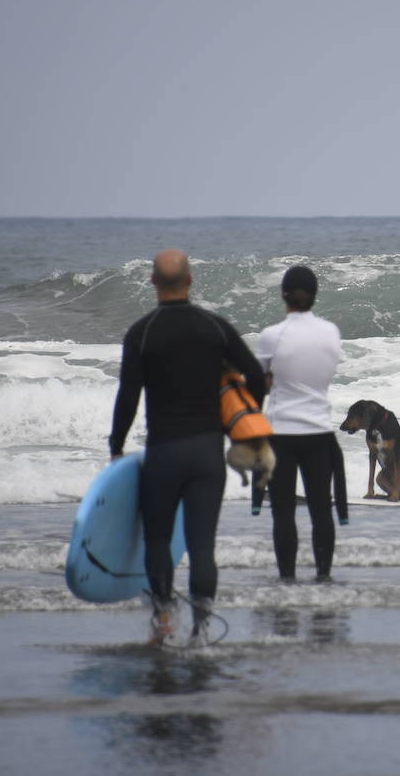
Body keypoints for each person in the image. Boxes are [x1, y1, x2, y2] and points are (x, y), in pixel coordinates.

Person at [109, 249, 267, 645]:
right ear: (191, 280)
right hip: (206, 454)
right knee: (201, 547)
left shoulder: (142, 332)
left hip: (164, 452)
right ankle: (200, 631)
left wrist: (116, 446)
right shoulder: (214, 328)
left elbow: (127, 396)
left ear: (152, 282)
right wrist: (242, 420)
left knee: (158, 539)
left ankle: (164, 620)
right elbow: (256, 376)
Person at [256, 265, 348, 582]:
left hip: (280, 434)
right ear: (315, 295)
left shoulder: (271, 336)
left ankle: (287, 580)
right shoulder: (330, 333)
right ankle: (323, 577)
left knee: (283, 511)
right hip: (319, 434)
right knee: (321, 509)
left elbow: (261, 385)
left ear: (284, 295)